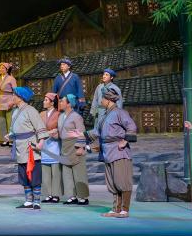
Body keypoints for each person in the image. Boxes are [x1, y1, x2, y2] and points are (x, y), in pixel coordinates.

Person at [89, 86, 137, 218]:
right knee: (113, 181)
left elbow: (131, 126)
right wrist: (81, 134)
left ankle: (124, 210)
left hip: (119, 151)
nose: (100, 101)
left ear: (108, 99)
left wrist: (125, 141)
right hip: (107, 151)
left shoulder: (120, 112)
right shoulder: (105, 115)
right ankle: (116, 209)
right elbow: (97, 132)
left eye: (102, 98)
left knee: (122, 180)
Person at [5, 85, 48, 210]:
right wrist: (11, 135)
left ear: (20, 97)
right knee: (23, 174)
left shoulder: (31, 110)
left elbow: (40, 127)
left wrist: (41, 142)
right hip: (20, 146)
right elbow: (15, 128)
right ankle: (28, 201)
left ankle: (37, 201)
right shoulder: (15, 111)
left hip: (30, 146)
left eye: (14, 95)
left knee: (34, 173)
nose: (12, 97)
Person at [58, 94, 89, 205]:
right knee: (67, 173)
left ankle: (83, 197)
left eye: (62, 101)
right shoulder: (61, 116)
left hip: (75, 145)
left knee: (79, 172)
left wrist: (80, 146)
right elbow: (61, 131)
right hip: (65, 146)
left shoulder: (76, 116)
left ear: (69, 104)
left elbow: (81, 132)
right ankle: (71, 196)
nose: (60, 103)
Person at [40, 92, 63, 204]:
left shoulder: (59, 114)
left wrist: (55, 132)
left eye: (46, 100)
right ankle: (47, 194)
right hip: (44, 144)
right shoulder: (41, 114)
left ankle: (56, 194)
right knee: (45, 171)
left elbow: (61, 129)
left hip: (54, 145)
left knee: (55, 172)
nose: (44, 102)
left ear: (52, 102)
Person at [0, 62, 17, 146]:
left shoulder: (11, 79)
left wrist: (13, 101)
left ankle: (11, 139)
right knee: (1, 121)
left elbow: (15, 91)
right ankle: (4, 139)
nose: (0, 69)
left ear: (7, 70)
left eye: (2, 68)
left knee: (10, 121)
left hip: (9, 99)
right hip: (0, 100)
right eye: (0, 68)